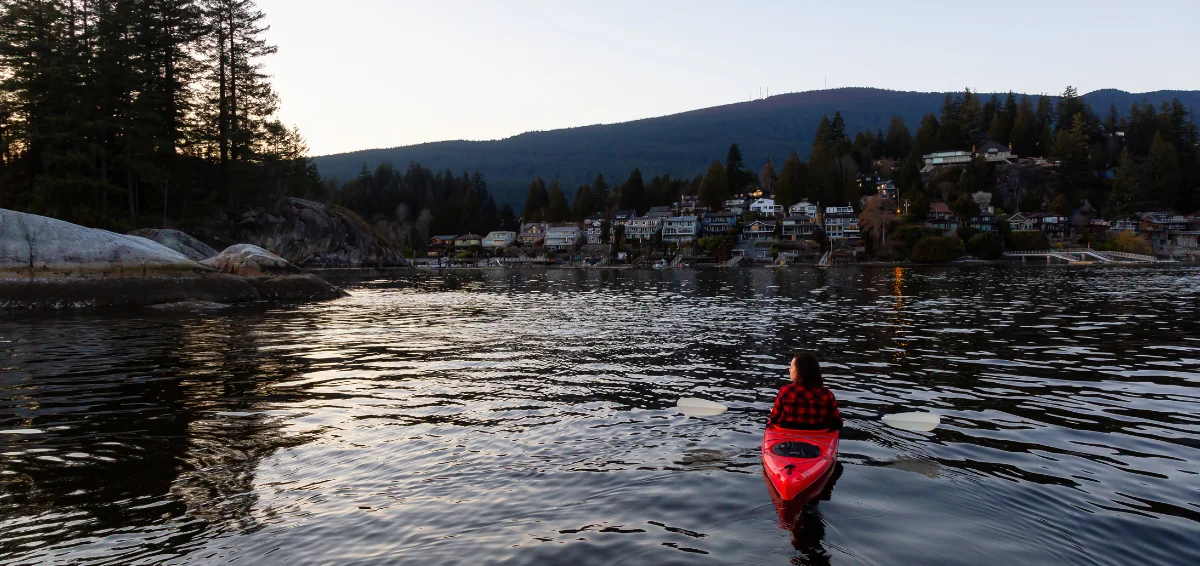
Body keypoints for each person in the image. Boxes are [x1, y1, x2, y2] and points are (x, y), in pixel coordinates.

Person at [767, 350, 842, 431]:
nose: (789, 370)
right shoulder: (827, 394)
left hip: (787, 433)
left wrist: (774, 412)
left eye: (792, 367)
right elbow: (837, 423)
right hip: (818, 435)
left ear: (800, 371)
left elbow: (774, 419)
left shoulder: (785, 391)